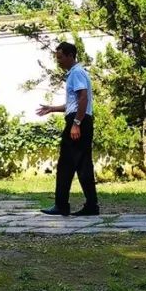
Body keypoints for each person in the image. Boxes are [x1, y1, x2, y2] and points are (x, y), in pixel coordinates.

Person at [37, 42, 99, 216]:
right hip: (82, 119)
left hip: (78, 120)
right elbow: (74, 103)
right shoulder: (78, 73)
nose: (58, 61)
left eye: (61, 57)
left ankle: (61, 204)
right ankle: (91, 205)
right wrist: (52, 108)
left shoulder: (76, 73)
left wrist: (76, 123)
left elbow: (83, 98)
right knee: (84, 165)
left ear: (71, 55)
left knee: (65, 164)